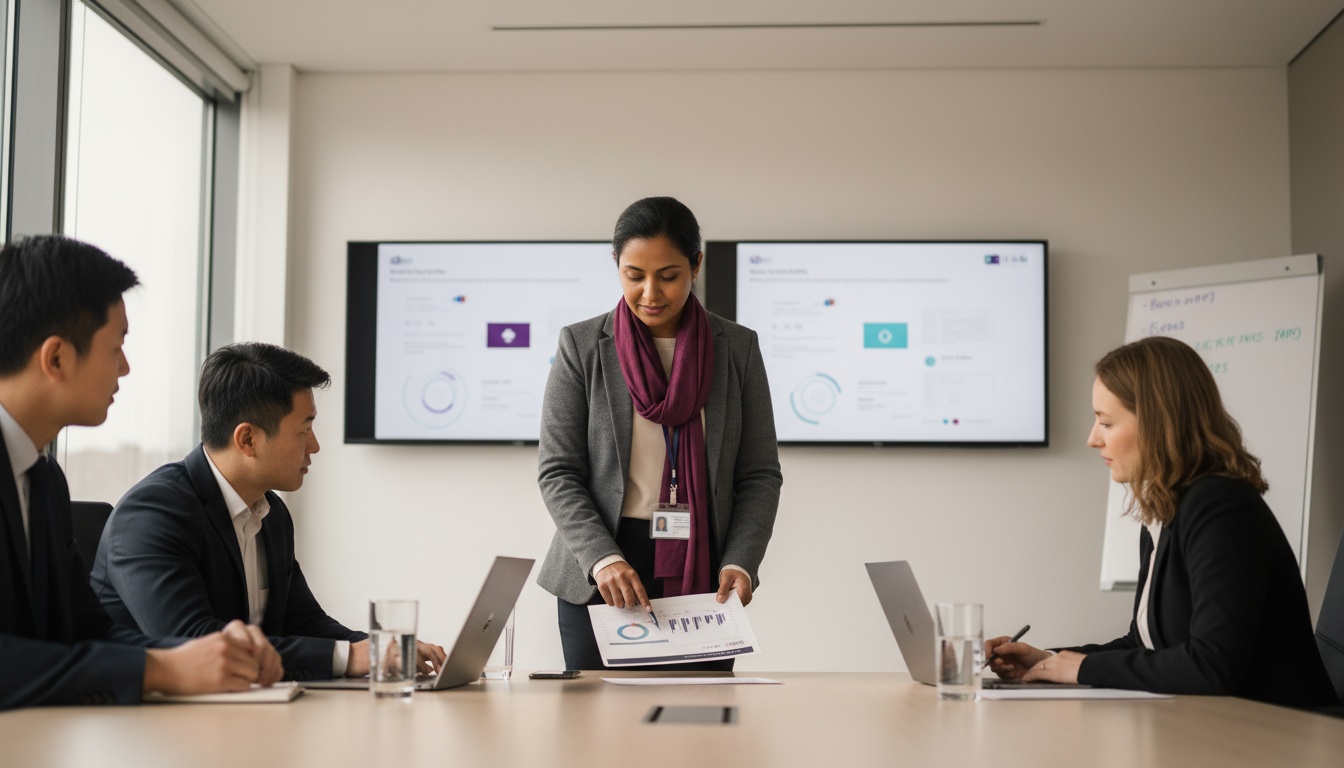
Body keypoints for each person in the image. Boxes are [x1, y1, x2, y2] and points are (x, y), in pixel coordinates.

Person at [0, 235, 282, 710]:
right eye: (117, 347)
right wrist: (164, 669)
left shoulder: (43, 481)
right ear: (56, 358)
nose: (126, 368)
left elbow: (88, 631)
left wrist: (207, 655)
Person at [985, 336, 1338, 709]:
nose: (1092, 439)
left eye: (1105, 422)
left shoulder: (1221, 506)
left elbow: (1213, 666)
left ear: (1158, 424)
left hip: (1283, 736)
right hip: (1217, 726)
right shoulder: (1166, 507)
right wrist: (1047, 660)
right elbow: (1147, 645)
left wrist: (1085, 668)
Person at [91, 343, 446, 681]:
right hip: (145, 728)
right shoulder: (152, 513)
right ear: (247, 440)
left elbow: (304, 623)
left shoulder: (271, 513)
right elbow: (193, 643)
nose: (315, 446)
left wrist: (387, 650)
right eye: (304, 429)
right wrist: (355, 657)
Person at [537, 196, 783, 670]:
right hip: (603, 570)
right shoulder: (582, 346)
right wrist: (602, 558)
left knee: (696, 733)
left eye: (668, 275)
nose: (651, 292)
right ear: (616, 265)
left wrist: (742, 560)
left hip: (703, 572)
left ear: (696, 265)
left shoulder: (737, 348)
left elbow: (758, 475)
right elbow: (558, 471)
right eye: (635, 275)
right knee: (597, 732)